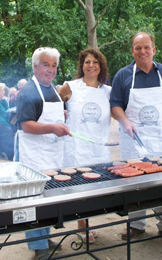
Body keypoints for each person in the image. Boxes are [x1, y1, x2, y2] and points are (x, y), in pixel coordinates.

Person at [110, 32, 162, 241]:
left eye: (146, 47)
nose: (142, 51)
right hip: (133, 141)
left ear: (154, 50)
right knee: (135, 184)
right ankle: (136, 225)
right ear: (132, 51)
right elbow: (115, 106)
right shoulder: (123, 75)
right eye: (138, 48)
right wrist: (124, 120)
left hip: (161, 138)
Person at [15, 47, 71, 260]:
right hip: (35, 155)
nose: (51, 70)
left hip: (52, 153)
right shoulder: (29, 91)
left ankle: (43, 237)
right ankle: (39, 248)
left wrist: (62, 115)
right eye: (46, 65)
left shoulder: (53, 90)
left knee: (48, 198)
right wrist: (53, 127)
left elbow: (46, 114)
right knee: (35, 200)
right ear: (36, 66)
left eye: (54, 65)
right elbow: (26, 125)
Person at [58, 47, 111, 244]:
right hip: (77, 148)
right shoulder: (70, 87)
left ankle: (88, 223)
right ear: (81, 66)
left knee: (95, 191)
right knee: (80, 190)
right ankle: (82, 227)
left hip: (98, 147)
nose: (91, 66)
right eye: (87, 62)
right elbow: (52, 104)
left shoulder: (108, 92)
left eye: (95, 62)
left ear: (101, 66)